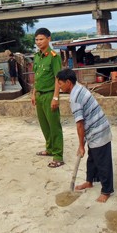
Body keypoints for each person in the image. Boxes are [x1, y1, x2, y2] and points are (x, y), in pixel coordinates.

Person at [57, 68, 113, 203]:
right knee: (92, 159)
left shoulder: (75, 98)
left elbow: (80, 124)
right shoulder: (78, 88)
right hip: (94, 130)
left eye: (60, 83)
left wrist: (81, 145)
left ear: (68, 82)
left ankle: (106, 190)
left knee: (103, 162)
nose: (59, 86)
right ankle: (89, 181)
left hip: (99, 131)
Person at [32, 28, 64, 168]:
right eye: (37, 40)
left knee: (54, 126)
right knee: (44, 125)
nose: (38, 42)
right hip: (39, 95)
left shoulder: (53, 56)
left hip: (50, 94)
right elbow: (37, 77)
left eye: (41, 39)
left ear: (49, 39)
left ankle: (58, 156)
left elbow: (58, 78)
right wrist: (33, 93)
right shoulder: (37, 56)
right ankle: (49, 148)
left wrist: (56, 97)